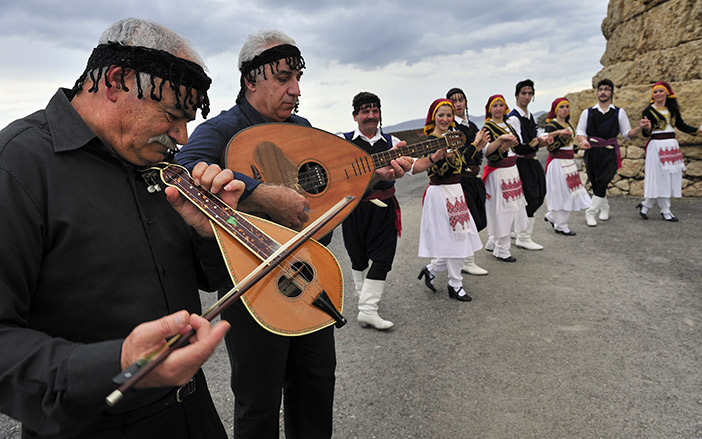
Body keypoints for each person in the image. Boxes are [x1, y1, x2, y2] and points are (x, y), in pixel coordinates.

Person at [0, 18, 244, 438]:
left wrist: (212, 231)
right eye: (171, 114)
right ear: (115, 81)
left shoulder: (159, 166)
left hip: (194, 414)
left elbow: (208, 278)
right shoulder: (17, 166)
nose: (182, 137)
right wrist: (118, 362)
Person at [176, 30, 409, 438]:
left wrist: (377, 176)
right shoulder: (221, 130)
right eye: (283, 78)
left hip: (310, 273)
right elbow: (184, 173)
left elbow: (329, 183)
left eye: (298, 78)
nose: (295, 89)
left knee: (316, 388)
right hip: (254, 286)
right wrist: (263, 194)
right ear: (251, 79)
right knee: (258, 401)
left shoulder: (301, 127)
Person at [339, 92, 413, 330]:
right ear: (355, 115)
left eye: (375, 110)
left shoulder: (392, 142)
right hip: (353, 208)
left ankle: (368, 310)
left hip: (385, 208)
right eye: (365, 111)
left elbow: (413, 167)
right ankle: (364, 300)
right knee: (357, 259)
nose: (370, 115)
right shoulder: (343, 140)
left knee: (382, 259)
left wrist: (434, 157)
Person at [415, 99, 488, 302]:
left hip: (455, 191)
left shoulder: (452, 138)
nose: (446, 119)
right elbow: (439, 171)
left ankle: (431, 270)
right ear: (433, 117)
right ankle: (455, 284)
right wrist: (443, 157)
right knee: (456, 239)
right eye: (441, 115)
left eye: (449, 115)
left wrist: (475, 146)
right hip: (440, 192)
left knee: (457, 238)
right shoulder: (431, 141)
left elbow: (462, 163)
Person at [575, 78, 651, 226]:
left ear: (611, 92)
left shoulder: (619, 112)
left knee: (603, 181)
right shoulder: (588, 112)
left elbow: (626, 133)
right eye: (601, 89)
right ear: (597, 92)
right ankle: (605, 208)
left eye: (606, 89)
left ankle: (590, 212)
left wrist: (640, 128)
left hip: (610, 152)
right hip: (592, 152)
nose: (603, 92)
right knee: (596, 183)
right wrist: (583, 140)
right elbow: (580, 131)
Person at [637, 81, 700, 221]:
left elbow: (681, 126)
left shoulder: (672, 110)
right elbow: (646, 134)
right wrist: (646, 128)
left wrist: (697, 130)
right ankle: (665, 210)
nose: (658, 94)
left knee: (668, 178)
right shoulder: (648, 111)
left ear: (667, 93)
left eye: (661, 91)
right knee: (659, 178)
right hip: (657, 146)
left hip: (671, 146)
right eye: (655, 91)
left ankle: (646, 205)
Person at [446, 87, 488, 276]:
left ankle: (440, 263)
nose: (458, 103)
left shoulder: (471, 126)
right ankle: (467, 261)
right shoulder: (452, 129)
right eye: (454, 101)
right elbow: (460, 157)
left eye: (461, 99)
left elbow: (481, 150)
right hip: (460, 180)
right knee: (469, 221)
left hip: (474, 178)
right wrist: (477, 144)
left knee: (479, 219)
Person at [506, 79, 552, 251]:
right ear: (516, 95)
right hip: (520, 162)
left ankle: (516, 230)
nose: (526, 96)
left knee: (540, 194)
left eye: (529, 93)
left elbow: (530, 142)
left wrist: (541, 142)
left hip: (531, 159)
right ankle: (523, 236)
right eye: (523, 93)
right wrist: (535, 142)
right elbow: (518, 146)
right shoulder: (514, 119)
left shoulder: (529, 116)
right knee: (531, 197)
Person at [481, 94, 525, 262]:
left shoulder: (508, 124)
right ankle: (502, 249)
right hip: (499, 171)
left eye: (501, 105)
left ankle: (493, 241)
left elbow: (518, 146)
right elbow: (487, 152)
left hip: (512, 170)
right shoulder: (487, 127)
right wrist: (503, 143)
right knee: (502, 209)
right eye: (495, 105)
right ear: (489, 109)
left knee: (512, 207)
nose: (498, 108)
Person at [543, 98, 592, 235]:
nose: (564, 109)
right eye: (561, 107)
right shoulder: (552, 126)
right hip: (558, 162)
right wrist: (559, 134)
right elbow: (550, 146)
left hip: (568, 163)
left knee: (567, 192)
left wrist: (579, 146)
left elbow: (568, 144)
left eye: (566, 107)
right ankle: (561, 225)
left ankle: (553, 216)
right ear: (555, 110)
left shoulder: (567, 124)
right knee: (563, 193)